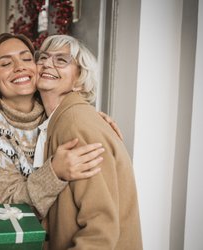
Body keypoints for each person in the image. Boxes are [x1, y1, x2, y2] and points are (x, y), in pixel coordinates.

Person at [0, 33, 121, 221]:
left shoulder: (51, 109)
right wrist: (54, 172)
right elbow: (7, 204)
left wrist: (94, 120)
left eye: (27, 58)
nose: (20, 67)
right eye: (5, 64)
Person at [35, 35, 143, 249]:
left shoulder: (76, 124)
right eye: (43, 57)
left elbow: (100, 229)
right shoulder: (59, 119)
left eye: (61, 60)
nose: (47, 63)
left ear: (79, 79)